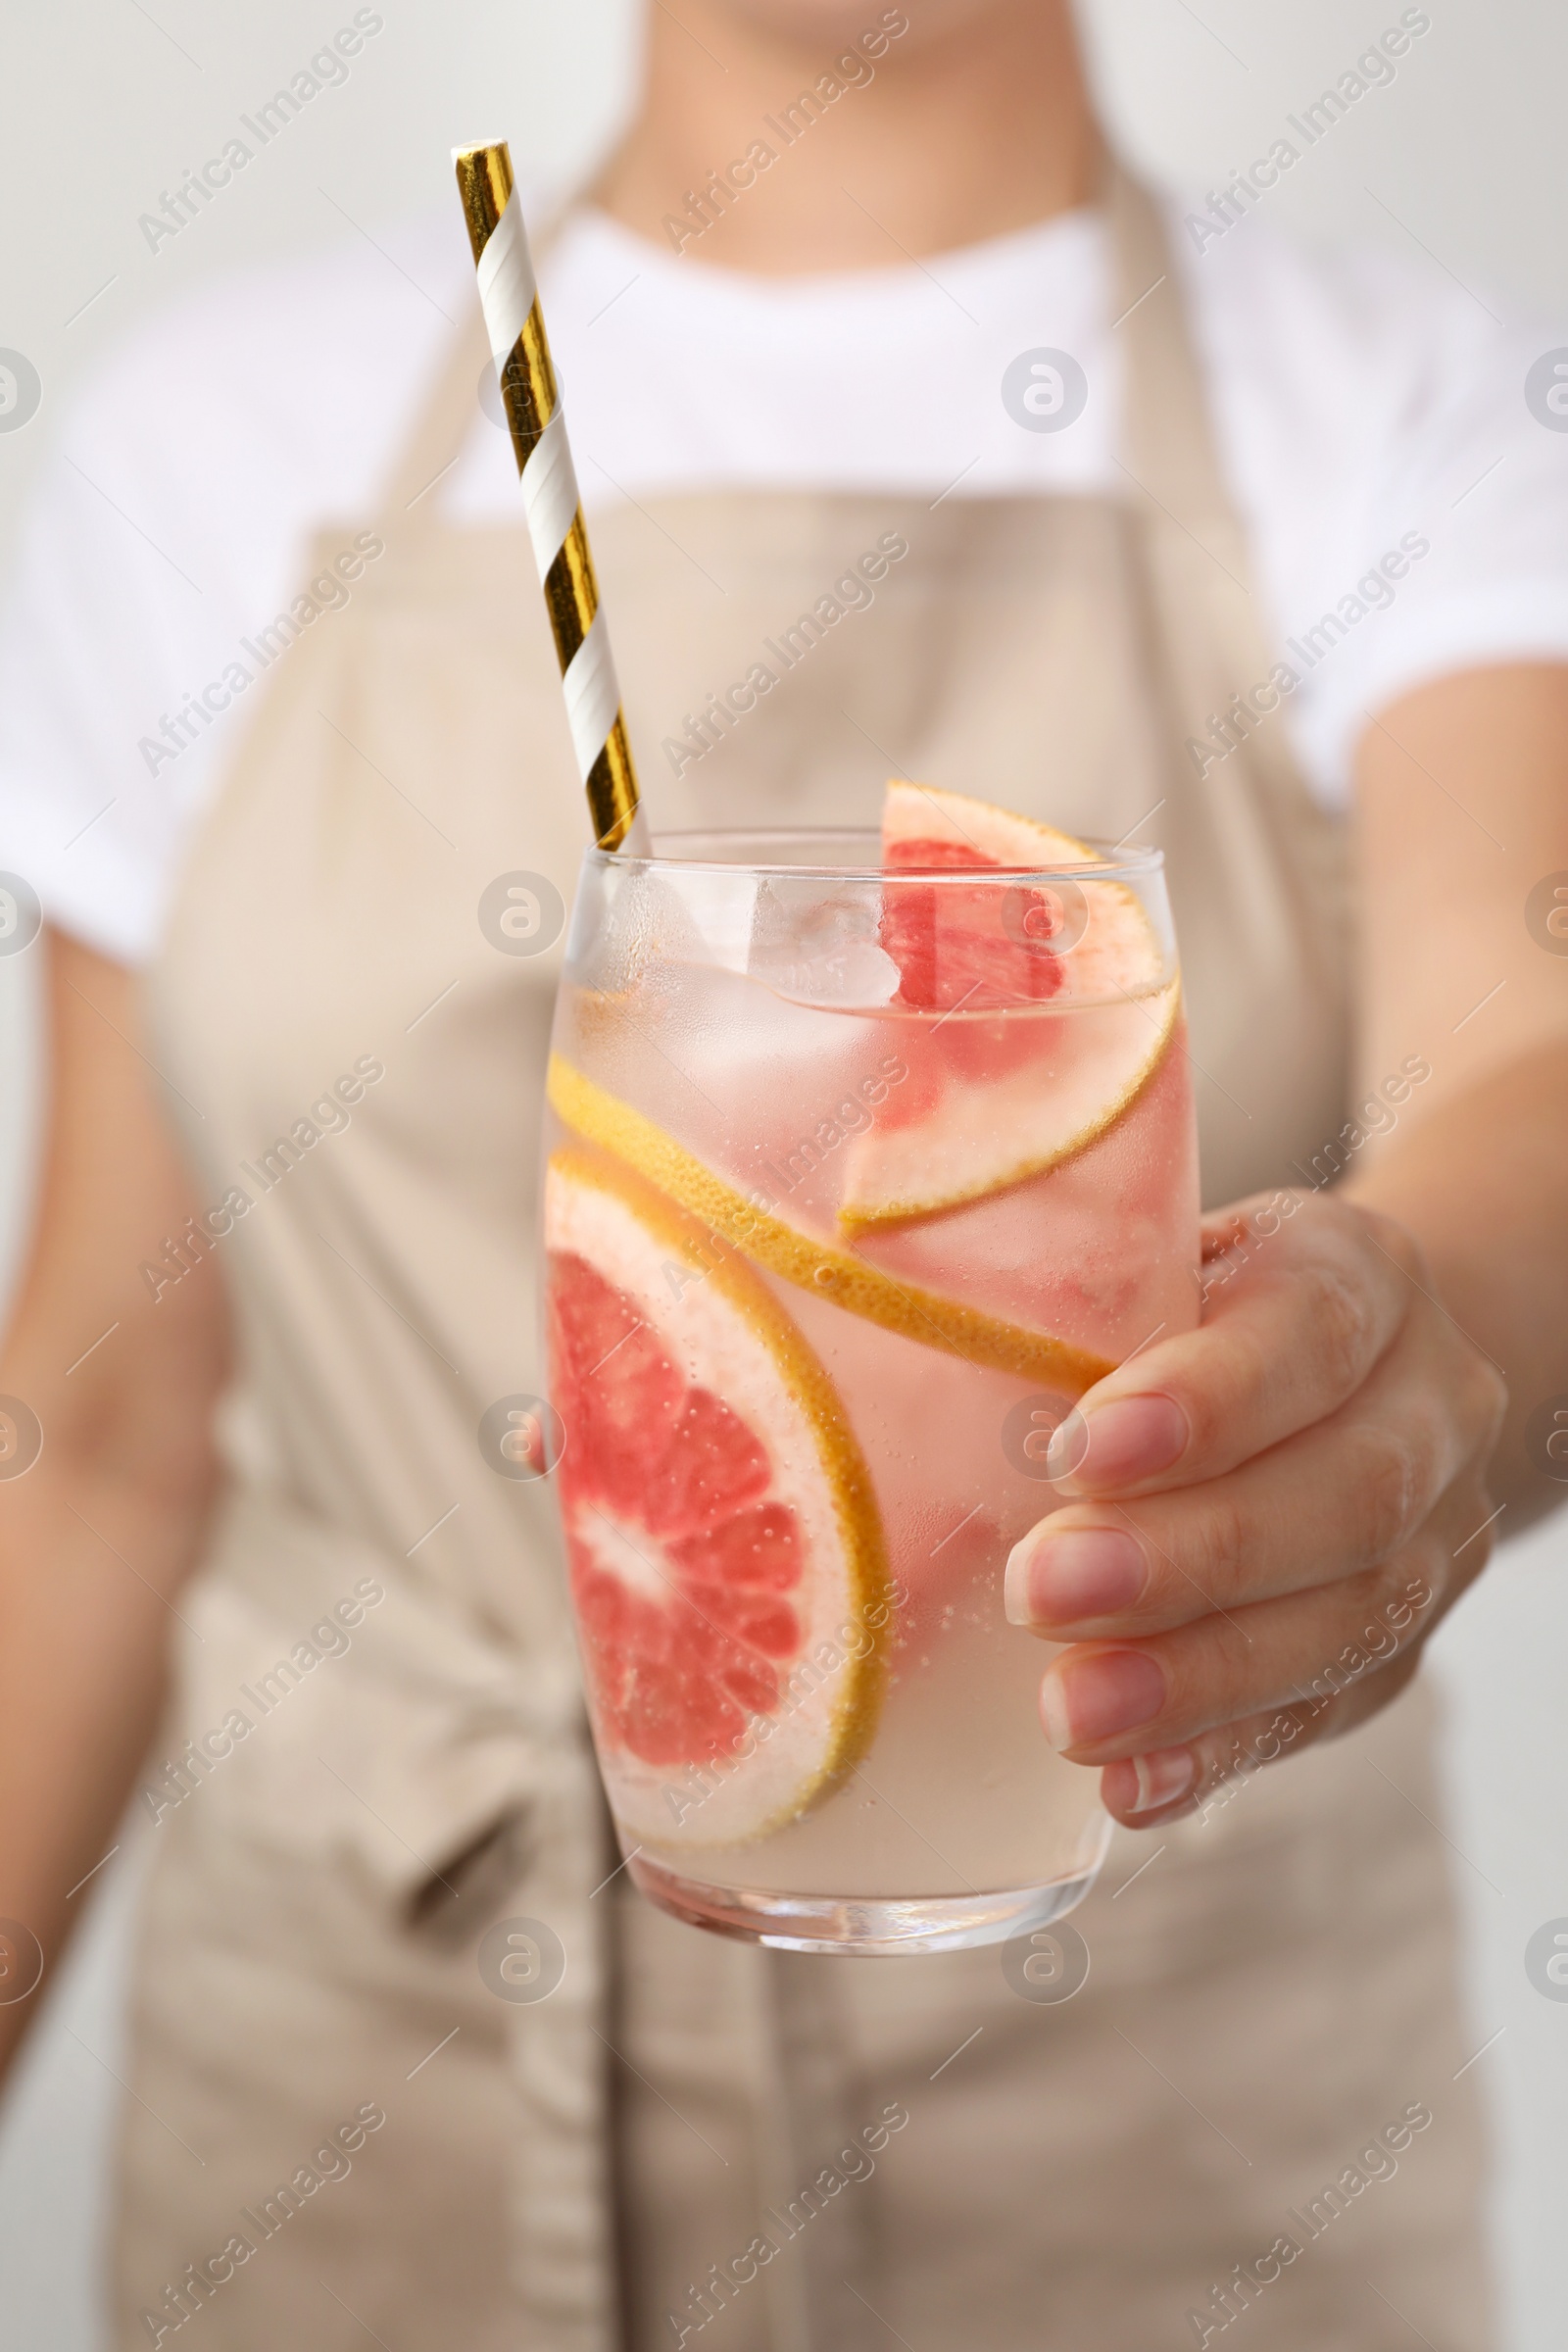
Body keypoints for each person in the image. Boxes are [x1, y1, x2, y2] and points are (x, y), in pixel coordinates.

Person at [1, 0, 1565, 2343]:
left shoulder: (1416, 414)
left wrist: (1407, 1361)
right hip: (344, 2117)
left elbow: (1523, 1061)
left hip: (1171, 2148)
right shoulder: (207, 444)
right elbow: (93, 1442)